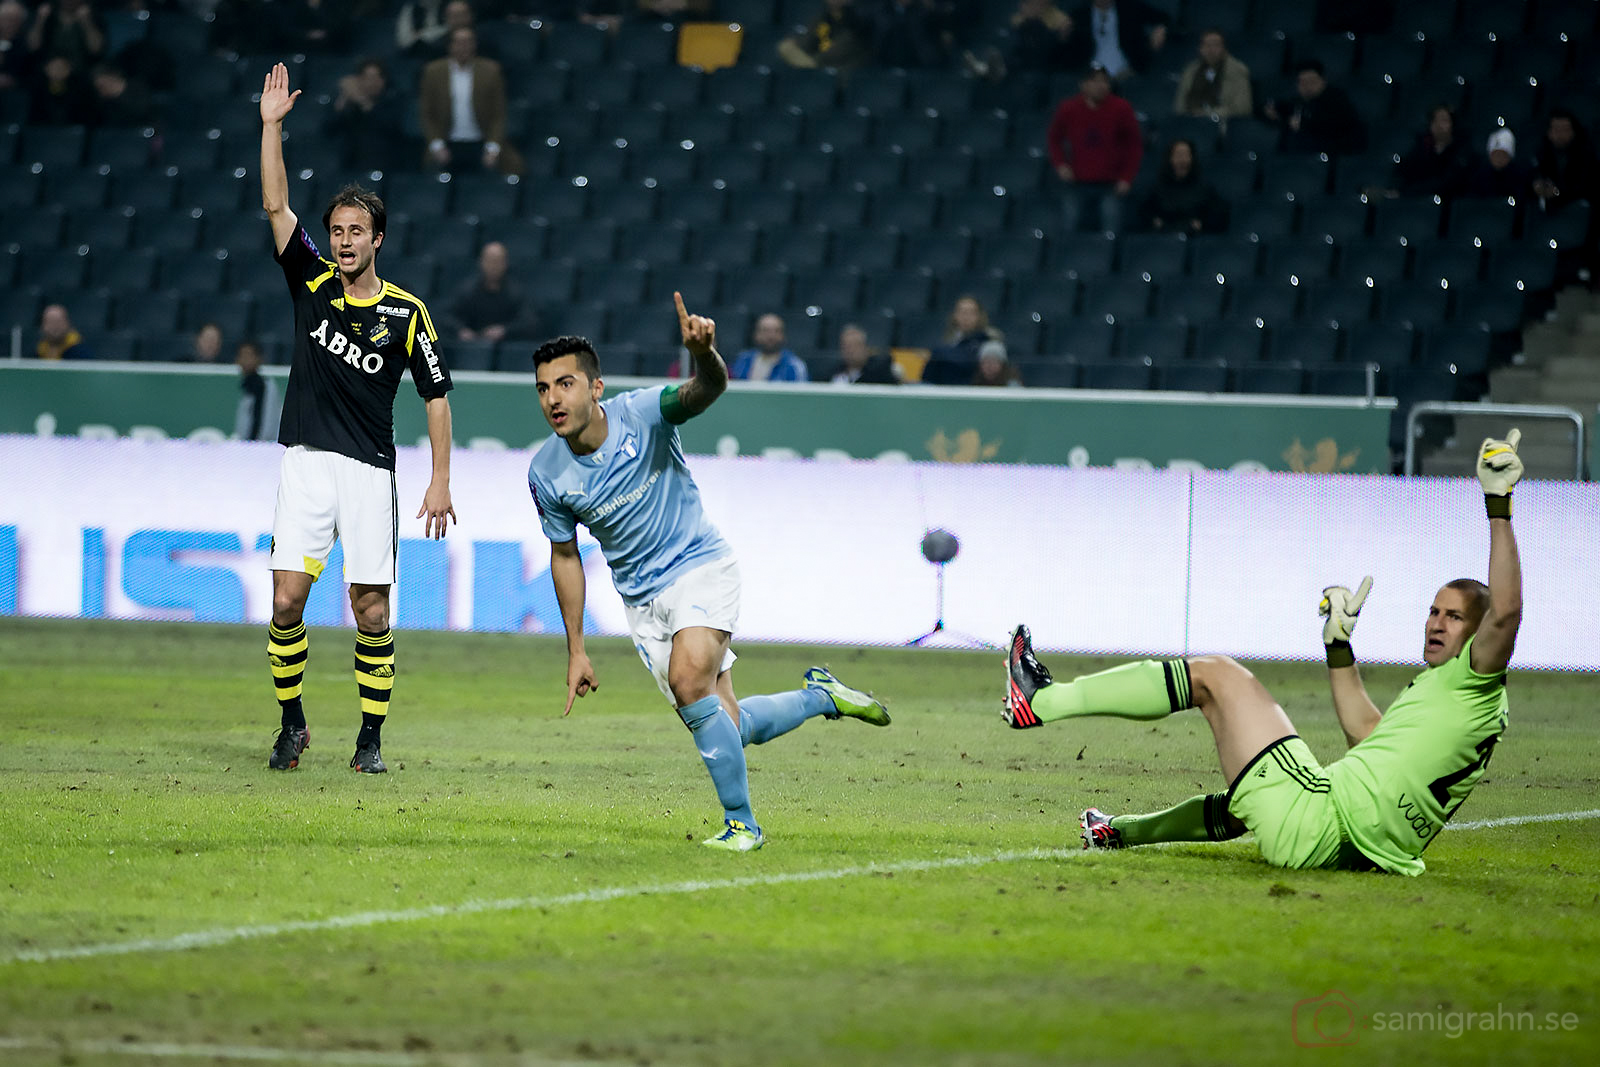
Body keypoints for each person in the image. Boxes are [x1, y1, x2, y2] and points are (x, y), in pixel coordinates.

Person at [1001, 428, 1526, 878]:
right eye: (1434, 611)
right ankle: (1117, 833)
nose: (1436, 623)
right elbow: (1368, 735)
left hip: (1323, 821)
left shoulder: (1475, 677)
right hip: (1350, 846)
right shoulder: (1450, 694)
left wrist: (1498, 504)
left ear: (1480, 635)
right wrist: (1339, 645)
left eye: (1453, 616)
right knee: (1242, 804)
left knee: (1216, 676)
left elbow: (1506, 612)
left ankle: (1041, 701)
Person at [525, 298, 891, 851]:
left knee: (689, 681)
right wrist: (576, 648)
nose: (554, 398)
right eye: (544, 388)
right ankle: (824, 697)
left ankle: (743, 824)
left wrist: (705, 355)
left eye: (566, 383)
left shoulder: (645, 412)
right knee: (729, 724)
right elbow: (566, 556)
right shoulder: (545, 473)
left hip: (701, 566)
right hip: (644, 604)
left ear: (596, 388)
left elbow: (706, 390)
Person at [256, 63, 457, 775]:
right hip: (306, 461)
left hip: (371, 473)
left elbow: (437, 397)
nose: (342, 241)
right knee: (286, 599)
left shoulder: (407, 313)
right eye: (337, 230)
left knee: (371, 610)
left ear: (379, 240)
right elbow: (278, 207)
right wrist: (271, 126)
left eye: (356, 231)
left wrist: (439, 482)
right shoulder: (308, 280)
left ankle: (370, 739)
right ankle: (292, 724)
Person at [1047, 64, 1143, 235]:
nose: (1101, 85)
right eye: (1095, 81)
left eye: (1105, 81)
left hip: (1110, 183)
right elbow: (1054, 138)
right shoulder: (1068, 108)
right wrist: (1060, 164)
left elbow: (1134, 146)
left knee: (1110, 231)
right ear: (1083, 84)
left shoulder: (1121, 108)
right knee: (1068, 229)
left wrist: (1127, 177)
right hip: (1076, 182)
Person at [418, 25, 523, 176]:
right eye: (459, 42)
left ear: (475, 45)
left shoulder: (491, 70)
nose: (464, 47)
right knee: (431, 173)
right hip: (447, 143)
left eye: (468, 42)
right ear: (450, 45)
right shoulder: (433, 71)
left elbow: (498, 114)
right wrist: (437, 145)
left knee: (512, 169)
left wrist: (492, 148)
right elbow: (427, 114)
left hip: (482, 142)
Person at [1263, 59, 1366, 156]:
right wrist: (1274, 112)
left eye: (1312, 81)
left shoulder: (1336, 99)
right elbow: (1283, 109)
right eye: (1303, 82)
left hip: (1331, 152)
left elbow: (1334, 125)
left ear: (1323, 81)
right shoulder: (1299, 101)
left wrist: (1304, 124)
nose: (1307, 86)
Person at [445, 240, 538, 344]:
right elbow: (447, 316)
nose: (493, 266)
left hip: (505, 346)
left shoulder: (516, 292)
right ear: (481, 262)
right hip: (472, 346)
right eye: (490, 261)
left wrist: (504, 330)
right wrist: (461, 330)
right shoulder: (467, 291)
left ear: (505, 263)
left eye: (498, 261)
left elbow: (529, 322)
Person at [325, 57, 405, 173]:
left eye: (375, 78)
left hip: (384, 163)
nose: (371, 83)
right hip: (350, 164)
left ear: (383, 80)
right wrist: (343, 99)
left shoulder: (393, 99)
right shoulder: (350, 104)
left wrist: (363, 101)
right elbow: (329, 129)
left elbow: (391, 127)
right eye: (366, 78)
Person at [1061, 0, 1168, 80]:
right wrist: (1064, 38)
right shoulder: (1079, 15)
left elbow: (1166, 19)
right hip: (1090, 74)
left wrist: (1161, 30)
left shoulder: (1130, 8)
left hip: (1127, 72)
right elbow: (1070, 54)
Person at [1139, 138, 1228, 233]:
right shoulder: (1157, 187)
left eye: (1186, 155)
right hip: (1164, 237)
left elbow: (1219, 213)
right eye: (1178, 155)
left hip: (1196, 237)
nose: (1182, 160)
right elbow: (1144, 212)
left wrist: (1203, 224)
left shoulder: (1204, 188)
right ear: (1170, 159)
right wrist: (1155, 221)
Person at [1391, 105, 1473, 200]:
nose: (1438, 125)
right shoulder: (1422, 146)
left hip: (1449, 201)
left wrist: (1406, 192)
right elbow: (1404, 171)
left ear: (1452, 124)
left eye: (1444, 120)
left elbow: (1447, 182)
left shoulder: (1461, 150)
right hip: (1418, 199)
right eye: (1435, 121)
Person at [1173, 29, 1251, 122]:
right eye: (1207, 45)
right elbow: (1179, 105)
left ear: (1224, 49)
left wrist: (1208, 114)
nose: (1211, 49)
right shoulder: (1190, 70)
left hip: (1221, 123)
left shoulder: (1237, 71)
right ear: (1200, 49)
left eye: (1216, 45)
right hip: (1191, 123)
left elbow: (1243, 109)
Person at [922, 295, 1003, 385]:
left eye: (971, 312)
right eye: (962, 312)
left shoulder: (987, 340)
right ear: (955, 315)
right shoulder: (948, 340)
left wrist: (939, 353)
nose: (966, 317)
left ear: (979, 316)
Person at [1531, 108, 1599, 214]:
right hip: (1547, 208)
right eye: (1556, 129)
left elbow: (1584, 187)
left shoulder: (1585, 154)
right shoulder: (1542, 152)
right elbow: (1536, 174)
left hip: (1577, 210)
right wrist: (1537, 185)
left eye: (1565, 130)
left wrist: (1557, 192)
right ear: (1549, 132)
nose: (1560, 135)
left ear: (1573, 132)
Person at [777, 0, 873, 73]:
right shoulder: (826, 16)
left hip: (840, 80)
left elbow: (824, 60)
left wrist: (806, 60)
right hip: (815, 73)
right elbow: (806, 42)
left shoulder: (859, 23)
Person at [729, 313, 809, 381]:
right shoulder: (742, 360)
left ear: (783, 336)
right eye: (765, 331)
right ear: (756, 335)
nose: (771, 336)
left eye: (776, 331)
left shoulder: (795, 366)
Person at [234, 339, 283, 442]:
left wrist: (258, 444)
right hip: (247, 445)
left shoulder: (264, 386)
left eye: (249, 355)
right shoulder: (246, 386)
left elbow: (268, 419)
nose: (245, 359)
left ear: (259, 359)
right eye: (242, 355)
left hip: (261, 447)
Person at [1464, 128, 1533, 200]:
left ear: (1510, 156)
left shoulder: (1520, 177)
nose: (1498, 158)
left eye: (1502, 154)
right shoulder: (1479, 178)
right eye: (1495, 154)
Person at [826, 323, 901, 384]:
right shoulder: (834, 373)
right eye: (846, 346)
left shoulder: (880, 372)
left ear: (866, 348)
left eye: (855, 346)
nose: (850, 351)